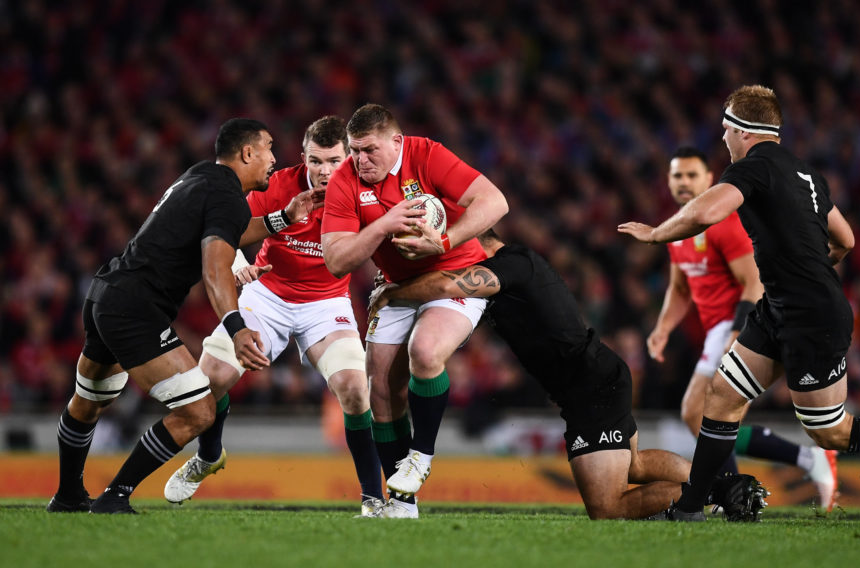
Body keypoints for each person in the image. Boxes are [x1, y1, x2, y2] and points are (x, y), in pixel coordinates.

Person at [619, 85, 860, 521]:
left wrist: (656, 233)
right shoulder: (807, 175)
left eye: (726, 129)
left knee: (830, 431)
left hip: (811, 317)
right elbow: (844, 239)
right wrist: (814, 266)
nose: (723, 139)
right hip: (780, 307)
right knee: (721, 398)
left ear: (744, 131)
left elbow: (707, 212)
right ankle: (692, 508)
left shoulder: (754, 168)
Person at [368, 230, 767, 520]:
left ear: (474, 243)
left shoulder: (512, 263)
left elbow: (448, 283)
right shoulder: (508, 271)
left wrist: (392, 292)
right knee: (636, 466)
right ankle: (727, 487)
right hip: (597, 376)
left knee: (607, 508)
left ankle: (705, 497)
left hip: (590, 387)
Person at [46, 118, 309, 514]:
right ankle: (115, 496)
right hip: (138, 309)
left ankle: (67, 496)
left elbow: (226, 232)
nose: (275, 158)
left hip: (107, 293)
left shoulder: (200, 176)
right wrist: (236, 328)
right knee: (198, 411)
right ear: (247, 153)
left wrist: (282, 219)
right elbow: (216, 269)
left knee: (89, 399)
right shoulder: (228, 197)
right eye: (269, 147)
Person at [160, 116, 385, 517]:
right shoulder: (278, 185)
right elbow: (225, 231)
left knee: (354, 389)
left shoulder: (365, 191)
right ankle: (209, 456)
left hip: (327, 304)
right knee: (210, 382)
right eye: (315, 161)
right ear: (303, 158)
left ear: (347, 158)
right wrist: (237, 264)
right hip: (268, 296)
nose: (324, 171)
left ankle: (373, 499)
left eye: (334, 161)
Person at [321, 103, 509, 518]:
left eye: (369, 150)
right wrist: (383, 225)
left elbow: (494, 202)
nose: (360, 160)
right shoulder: (345, 180)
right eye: (354, 150)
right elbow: (336, 260)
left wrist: (444, 241)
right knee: (382, 391)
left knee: (425, 352)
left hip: (454, 274)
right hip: (396, 286)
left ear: (396, 142)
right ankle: (402, 506)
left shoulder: (427, 155)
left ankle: (420, 456)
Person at [649, 146, 838, 512]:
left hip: (742, 323)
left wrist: (737, 332)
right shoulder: (681, 225)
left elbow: (752, 282)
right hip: (718, 330)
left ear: (709, 179)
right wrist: (662, 328)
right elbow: (679, 288)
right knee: (717, 422)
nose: (684, 182)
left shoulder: (722, 224)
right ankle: (803, 461)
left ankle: (727, 492)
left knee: (696, 412)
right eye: (677, 176)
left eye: (692, 175)